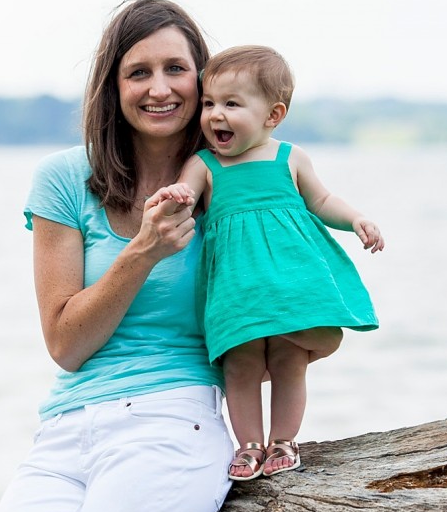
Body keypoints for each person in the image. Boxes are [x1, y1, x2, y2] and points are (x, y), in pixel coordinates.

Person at [0, 0, 234, 512]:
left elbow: (275, 316)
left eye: (175, 69)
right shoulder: (64, 178)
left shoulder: (230, 186)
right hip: (65, 432)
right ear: (112, 88)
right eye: (138, 72)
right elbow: (66, 345)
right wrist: (141, 252)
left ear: (202, 78)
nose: (159, 89)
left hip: (172, 420)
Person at [151, 45, 383, 482]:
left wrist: (356, 219)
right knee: (239, 364)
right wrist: (178, 195)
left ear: (272, 115)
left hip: (290, 283)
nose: (215, 115)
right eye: (209, 103)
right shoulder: (205, 164)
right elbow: (184, 190)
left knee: (288, 360)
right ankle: (249, 445)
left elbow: (322, 201)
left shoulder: (289, 158)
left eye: (232, 104)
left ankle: (284, 439)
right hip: (237, 287)